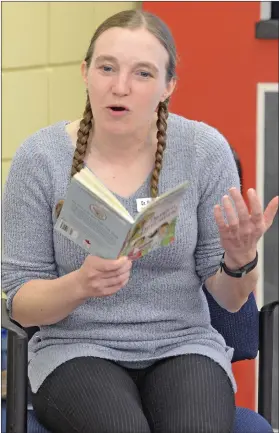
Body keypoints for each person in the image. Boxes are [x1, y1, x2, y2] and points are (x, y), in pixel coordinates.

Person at [2, 9, 278, 433]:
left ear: (169, 86)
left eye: (143, 73)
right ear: (85, 73)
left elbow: (230, 299)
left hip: (184, 344)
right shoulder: (40, 159)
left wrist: (240, 260)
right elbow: (20, 301)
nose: (121, 86)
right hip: (75, 350)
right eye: (107, 68)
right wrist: (80, 285)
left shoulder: (204, 151)